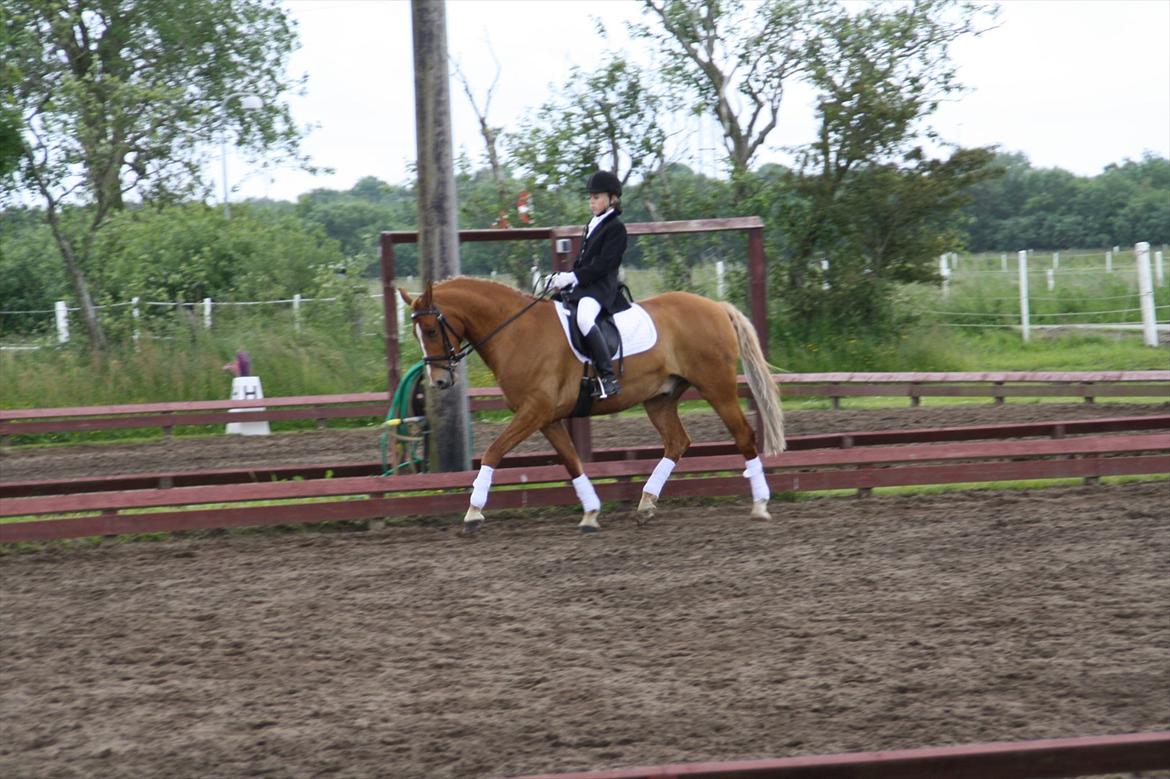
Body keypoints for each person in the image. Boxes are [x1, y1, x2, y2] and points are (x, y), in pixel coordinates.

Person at [549, 170, 629, 399]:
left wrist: (573, 277)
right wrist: (564, 278)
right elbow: (584, 261)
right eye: (590, 197)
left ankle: (608, 377)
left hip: (601, 289)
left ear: (612, 198)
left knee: (584, 318)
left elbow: (603, 265)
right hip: (585, 287)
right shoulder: (593, 224)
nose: (591, 202)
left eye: (596, 197)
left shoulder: (616, 228)